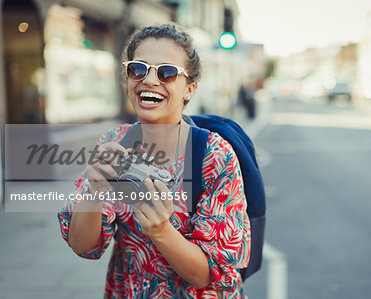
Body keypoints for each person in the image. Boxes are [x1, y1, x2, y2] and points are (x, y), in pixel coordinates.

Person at [58, 24, 251, 298]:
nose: (149, 80)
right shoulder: (114, 142)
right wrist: (94, 191)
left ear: (189, 89)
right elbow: (83, 246)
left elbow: (207, 275)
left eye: (167, 72)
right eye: (138, 69)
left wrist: (161, 231)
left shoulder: (214, 156)